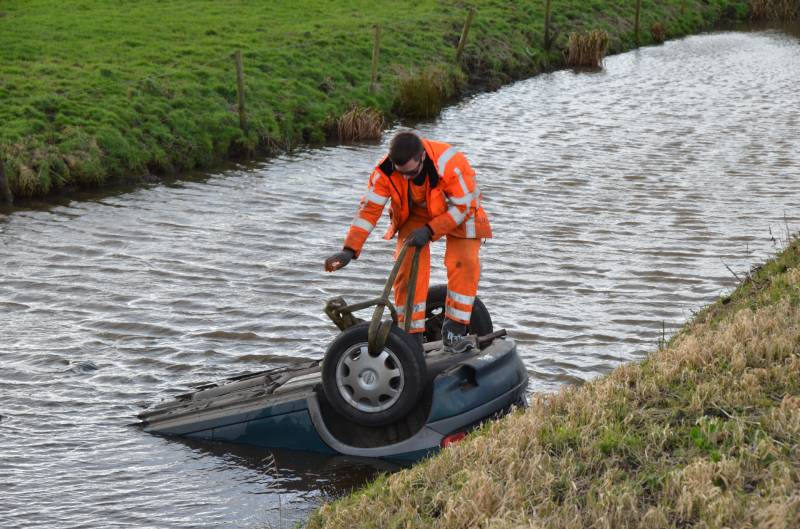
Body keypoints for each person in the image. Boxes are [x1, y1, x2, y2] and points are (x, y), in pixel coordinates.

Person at [324, 131, 492, 351]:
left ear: (422, 157)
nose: (405, 178)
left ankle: (455, 329)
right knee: (407, 268)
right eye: (400, 173)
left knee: (464, 262)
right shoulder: (385, 171)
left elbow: (464, 206)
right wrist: (349, 250)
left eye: (411, 173)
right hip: (417, 215)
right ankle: (411, 336)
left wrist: (430, 230)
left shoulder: (450, 163)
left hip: (460, 213)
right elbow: (369, 210)